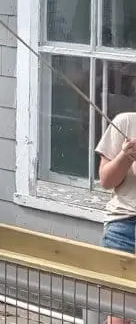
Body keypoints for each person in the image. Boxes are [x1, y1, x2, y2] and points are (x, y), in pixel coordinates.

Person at [95, 111, 136, 324]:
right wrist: (125, 156)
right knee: (119, 315)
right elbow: (106, 180)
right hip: (124, 227)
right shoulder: (126, 122)